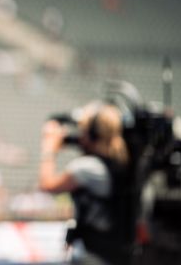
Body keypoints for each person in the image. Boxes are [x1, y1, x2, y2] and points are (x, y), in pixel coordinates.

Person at [38, 103, 134, 265]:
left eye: (83, 130)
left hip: (95, 253)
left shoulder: (89, 168)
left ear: (93, 134)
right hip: (112, 251)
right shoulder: (118, 162)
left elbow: (47, 185)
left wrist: (49, 148)